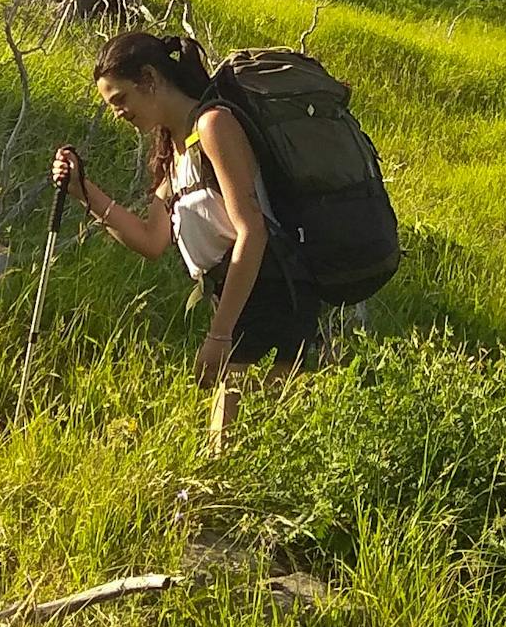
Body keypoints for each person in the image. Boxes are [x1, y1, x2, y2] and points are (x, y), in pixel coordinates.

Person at [51, 31, 316, 453]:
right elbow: (151, 240)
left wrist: (220, 334)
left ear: (150, 79)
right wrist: (84, 192)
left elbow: (252, 230)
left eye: (120, 99)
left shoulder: (213, 126)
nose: (118, 112)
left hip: (270, 287)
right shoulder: (171, 150)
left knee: (243, 439)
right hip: (232, 292)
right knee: (249, 437)